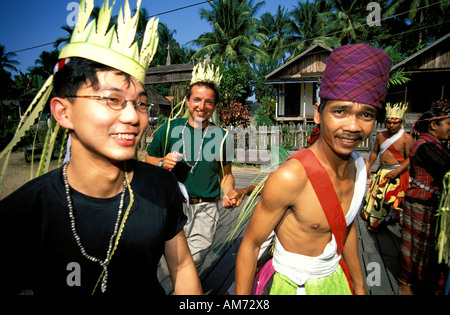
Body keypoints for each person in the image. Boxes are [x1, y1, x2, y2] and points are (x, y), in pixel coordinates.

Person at [0, 0, 201, 295]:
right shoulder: (24, 214)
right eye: (112, 99)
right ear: (63, 112)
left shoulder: (161, 186)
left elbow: (182, 265)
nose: (134, 117)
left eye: (140, 103)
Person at [235, 43, 392, 295]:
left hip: (336, 281)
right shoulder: (290, 177)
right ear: (318, 114)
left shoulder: (360, 168)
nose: (353, 126)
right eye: (340, 111)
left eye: (366, 115)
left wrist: (360, 286)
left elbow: (346, 226)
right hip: (294, 286)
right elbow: (252, 245)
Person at [146, 64, 252, 270]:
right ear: (187, 101)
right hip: (171, 206)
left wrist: (229, 190)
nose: (202, 106)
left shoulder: (222, 137)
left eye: (208, 102)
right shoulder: (168, 129)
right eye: (196, 99)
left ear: (214, 106)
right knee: (167, 265)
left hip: (206, 209)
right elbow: (148, 159)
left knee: (192, 263)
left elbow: (226, 175)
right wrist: (161, 162)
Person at [398, 101, 450, 295]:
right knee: (416, 243)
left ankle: (424, 280)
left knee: (428, 244)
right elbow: (446, 166)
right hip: (422, 201)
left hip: (429, 201)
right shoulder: (425, 146)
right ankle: (405, 282)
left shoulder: (433, 144)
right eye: (448, 125)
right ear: (434, 125)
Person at [362, 103, 414, 231]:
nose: (392, 125)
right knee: (376, 197)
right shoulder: (381, 136)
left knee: (386, 199)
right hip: (381, 172)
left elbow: (410, 158)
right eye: (389, 122)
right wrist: (368, 167)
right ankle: (373, 218)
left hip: (396, 174)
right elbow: (374, 152)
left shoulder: (406, 138)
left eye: (395, 123)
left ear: (401, 123)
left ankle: (380, 222)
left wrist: (397, 171)